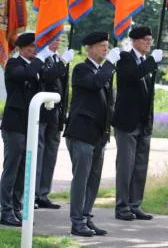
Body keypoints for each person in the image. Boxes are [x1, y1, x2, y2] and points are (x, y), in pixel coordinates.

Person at [64, 31, 120, 237]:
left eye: (107, 45)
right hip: (81, 132)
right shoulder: (81, 69)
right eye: (101, 46)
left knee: (93, 178)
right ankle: (77, 221)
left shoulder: (104, 71)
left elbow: (109, 104)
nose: (106, 49)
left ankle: (86, 217)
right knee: (81, 178)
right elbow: (95, 83)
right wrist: (110, 64)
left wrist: (108, 131)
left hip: (98, 134)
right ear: (89, 48)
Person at [112, 26, 163, 221]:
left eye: (150, 40)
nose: (149, 43)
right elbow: (131, 77)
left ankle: (135, 203)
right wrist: (151, 62)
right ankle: (122, 205)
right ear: (134, 41)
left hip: (143, 122)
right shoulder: (125, 58)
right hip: (127, 121)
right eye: (145, 40)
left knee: (140, 166)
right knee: (126, 166)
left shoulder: (146, 62)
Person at [0, 32, 51, 227]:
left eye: (35, 46)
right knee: (12, 168)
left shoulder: (35, 65)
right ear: (21, 48)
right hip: (15, 124)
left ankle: (16, 207)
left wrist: (57, 62)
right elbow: (25, 75)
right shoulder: (14, 64)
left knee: (24, 169)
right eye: (30, 47)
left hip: (30, 124)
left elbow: (50, 77)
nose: (34, 50)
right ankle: (5, 210)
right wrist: (39, 60)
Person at [36, 36, 74, 209]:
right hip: (42, 113)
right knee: (39, 153)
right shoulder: (40, 56)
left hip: (55, 114)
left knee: (50, 154)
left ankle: (43, 193)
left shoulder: (57, 58)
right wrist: (62, 62)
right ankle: (34, 193)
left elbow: (63, 88)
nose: (57, 40)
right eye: (53, 36)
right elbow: (47, 77)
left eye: (59, 37)